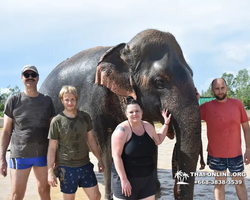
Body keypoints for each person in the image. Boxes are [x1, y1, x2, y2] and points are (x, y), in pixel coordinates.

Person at [0, 65, 55, 200]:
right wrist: (2, 159)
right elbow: (6, 132)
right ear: (22, 78)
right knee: (16, 195)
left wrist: (56, 158)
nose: (30, 77)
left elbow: (53, 132)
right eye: (27, 75)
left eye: (33, 75)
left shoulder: (47, 101)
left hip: (43, 155)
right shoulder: (13, 101)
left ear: (37, 78)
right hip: (19, 155)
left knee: (45, 194)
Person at [47, 85, 104, 200]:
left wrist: (99, 159)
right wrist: (50, 172)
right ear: (62, 100)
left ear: (76, 99)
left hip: (85, 164)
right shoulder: (56, 121)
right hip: (66, 167)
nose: (70, 102)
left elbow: (91, 140)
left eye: (72, 99)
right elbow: (52, 148)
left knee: (96, 196)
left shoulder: (85, 117)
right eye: (66, 100)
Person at [198, 78, 250, 200]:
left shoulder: (238, 104)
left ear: (227, 88)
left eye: (222, 88)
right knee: (219, 184)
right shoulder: (206, 107)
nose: (220, 91)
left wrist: (248, 149)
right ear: (212, 91)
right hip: (216, 155)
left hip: (235, 154)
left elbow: (246, 128)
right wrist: (195, 100)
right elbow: (190, 115)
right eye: (217, 89)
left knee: (240, 183)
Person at [111, 96, 171, 200]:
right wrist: (124, 180)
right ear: (126, 114)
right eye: (131, 112)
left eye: (137, 111)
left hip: (147, 180)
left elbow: (158, 140)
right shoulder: (121, 131)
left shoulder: (148, 126)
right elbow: (116, 157)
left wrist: (166, 123)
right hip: (125, 179)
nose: (135, 114)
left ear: (142, 112)